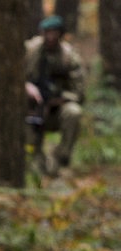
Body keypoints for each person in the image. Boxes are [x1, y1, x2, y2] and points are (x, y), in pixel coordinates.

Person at [24, 14, 85, 177]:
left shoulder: (69, 57)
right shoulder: (29, 50)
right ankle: (35, 161)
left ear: (61, 34)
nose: (50, 37)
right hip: (30, 109)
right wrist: (27, 87)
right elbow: (10, 76)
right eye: (47, 32)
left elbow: (79, 92)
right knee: (32, 157)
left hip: (55, 110)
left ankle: (60, 156)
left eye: (54, 32)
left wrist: (59, 98)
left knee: (74, 112)